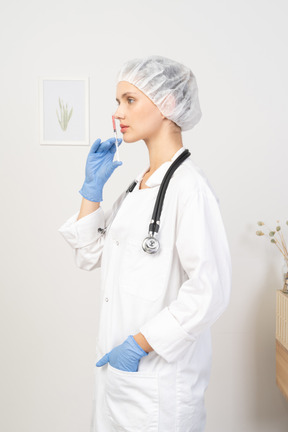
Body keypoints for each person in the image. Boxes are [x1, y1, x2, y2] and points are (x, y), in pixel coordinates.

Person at [58, 55, 232, 432]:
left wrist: (139, 344)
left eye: (129, 100)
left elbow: (209, 291)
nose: (118, 112)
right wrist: (92, 190)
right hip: (120, 383)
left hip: (159, 391)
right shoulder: (139, 186)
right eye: (118, 101)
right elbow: (89, 256)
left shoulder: (189, 188)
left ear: (168, 104)